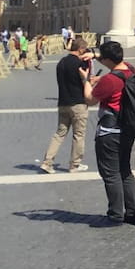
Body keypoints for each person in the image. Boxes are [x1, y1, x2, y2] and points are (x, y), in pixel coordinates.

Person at [85, 40, 135, 224]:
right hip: (128, 129)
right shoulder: (131, 70)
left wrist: (85, 80)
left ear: (107, 59)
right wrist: (95, 56)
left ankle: (115, 213)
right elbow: (112, 63)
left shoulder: (109, 80)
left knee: (111, 173)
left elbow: (90, 100)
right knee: (125, 170)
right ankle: (133, 212)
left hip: (110, 131)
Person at [38, 35, 92, 174]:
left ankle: (47, 162)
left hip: (63, 102)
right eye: (85, 50)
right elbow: (85, 82)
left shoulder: (61, 62)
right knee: (78, 135)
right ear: (80, 49)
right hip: (78, 103)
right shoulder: (79, 64)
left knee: (59, 134)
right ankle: (75, 164)